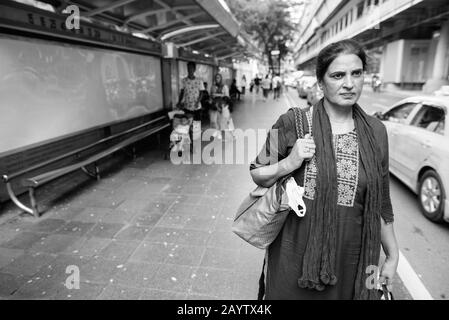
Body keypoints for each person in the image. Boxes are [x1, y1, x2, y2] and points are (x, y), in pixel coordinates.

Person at [250, 39, 399, 300]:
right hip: (293, 260)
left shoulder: (376, 132)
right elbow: (257, 174)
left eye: (357, 73)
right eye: (338, 75)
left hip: (353, 260)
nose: (349, 83)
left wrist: (392, 255)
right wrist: (290, 162)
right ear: (320, 83)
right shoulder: (291, 123)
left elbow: (380, 202)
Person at [210, 73, 233, 140]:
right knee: (214, 121)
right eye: (216, 78)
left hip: (223, 106)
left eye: (218, 77)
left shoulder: (224, 87)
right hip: (215, 106)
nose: (217, 79)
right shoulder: (213, 87)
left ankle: (230, 135)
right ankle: (219, 133)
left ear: (221, 78)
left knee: (225, 121)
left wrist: (218, 96)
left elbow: (227, 97)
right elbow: (211, 95)